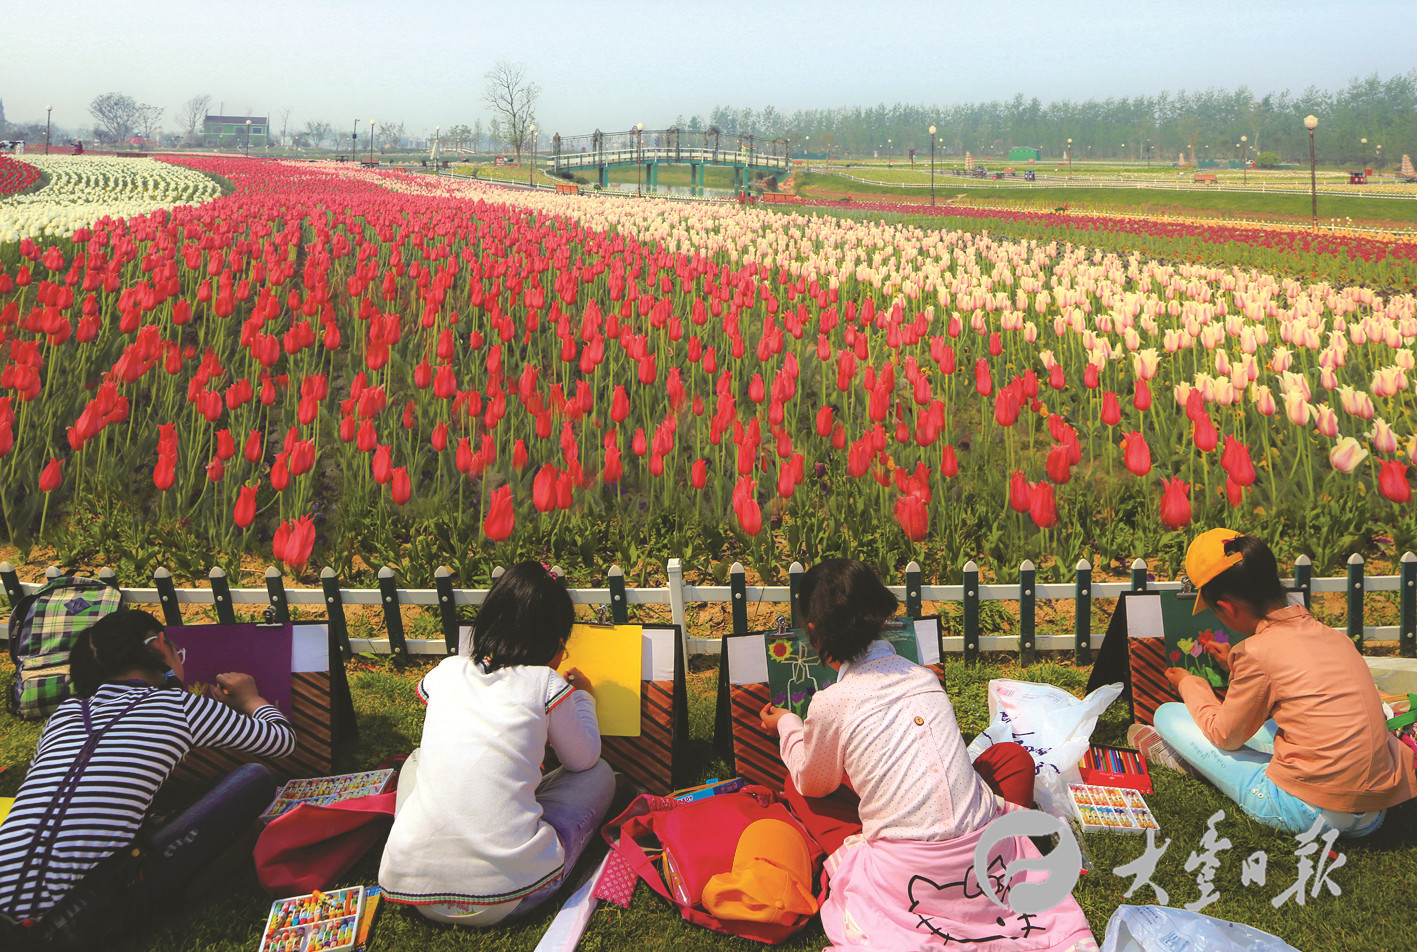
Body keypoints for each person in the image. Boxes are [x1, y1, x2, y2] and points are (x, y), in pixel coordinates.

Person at [759, 559, 1096, 952]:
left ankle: (863, 852)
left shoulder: (830, 702)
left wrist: (787, 725)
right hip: (987, 850)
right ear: (881, 619)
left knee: (796, 788)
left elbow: (812, 781)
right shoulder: (923, 678)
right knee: (1010, 759)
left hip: (907, 873)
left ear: (813, 631)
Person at [0, 610, 296, 950]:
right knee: (254, 778)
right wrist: (250, 699)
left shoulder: (65, 715)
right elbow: (280, 739)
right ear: (159, 645)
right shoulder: (178, 706)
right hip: (64, 926)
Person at [378, 562, 614, 927]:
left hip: (416, 892)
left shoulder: (446, 671)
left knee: (418, 759)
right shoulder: (546, 685)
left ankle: (425, 842)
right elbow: (583, 760)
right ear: (554, 641)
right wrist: (583, 698)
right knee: (601, 775)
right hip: (513, 895)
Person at [1153, 529, 1417, 836]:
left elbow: (1226, 736)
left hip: (1307, 811)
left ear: (1226, 608)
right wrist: (1231, 666)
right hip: (1372, 812)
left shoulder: (1255, 652)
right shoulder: (1336, 639)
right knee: (1269, 728)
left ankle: (1196, 762)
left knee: (1168, 715)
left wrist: (1191, 684)